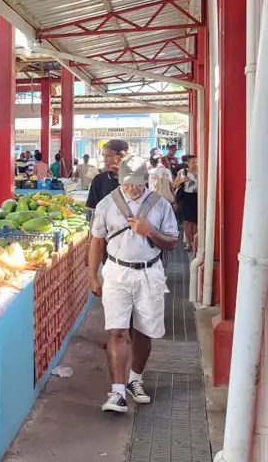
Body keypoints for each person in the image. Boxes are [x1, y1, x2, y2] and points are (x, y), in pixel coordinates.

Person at [88, 155, 178, 414]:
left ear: (146, 181)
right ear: (120, 180)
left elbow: (172, 242)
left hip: (150, 273)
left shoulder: (160, 205)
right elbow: (97, 242)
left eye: (138, 183)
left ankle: (135, 379)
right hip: (116, 272)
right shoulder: (107, 204)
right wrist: (93, 275)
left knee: (143, 331)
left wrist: (149, 231)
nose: (133, 189)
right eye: (128, 184)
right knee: (116, 330)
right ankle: (117, 394)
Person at [86, 140, 129, 209]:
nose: (104, 160)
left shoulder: (137, 180)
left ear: (121, 157)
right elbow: (92, 208)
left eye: (108, 156)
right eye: (104, 156)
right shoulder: (99, 180)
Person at [173, 155, 199, 251]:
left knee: (195, 221)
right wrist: (182, 180)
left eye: (196, 162)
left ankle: (194, 242)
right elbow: (174, 184)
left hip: (197, 197)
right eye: (193, 162)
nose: (195, 164)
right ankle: (188, 243)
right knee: (187, 221)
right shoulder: (182, 172)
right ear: (187, 163)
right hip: (186, 198)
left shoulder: (201, 172)